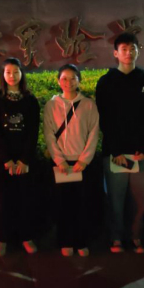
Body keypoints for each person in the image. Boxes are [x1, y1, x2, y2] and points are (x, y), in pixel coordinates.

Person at [95, 32, 144, 254]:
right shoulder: (106, 82)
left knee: (140, 200)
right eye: (124, 49)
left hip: (141, 154)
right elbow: (104, 119)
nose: (128, 52)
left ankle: (136, 237)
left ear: (138, 51)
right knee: (116, 199)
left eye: (132, 48)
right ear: (115, 53)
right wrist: (115, 151)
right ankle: (116, 238)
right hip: (116, 154)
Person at [43, 64, 100, 257]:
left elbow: (93, 133)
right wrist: (59, 160)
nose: (68, 82)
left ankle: (81, 241)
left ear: (79, 80)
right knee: (63, 204)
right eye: (64, 78)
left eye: (73, 78)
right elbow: (49, 134)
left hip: (82, 164)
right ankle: (65, 241)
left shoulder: (89, 105)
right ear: (58, 81)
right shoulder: (51, 105)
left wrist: (84, 160)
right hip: (61, 164)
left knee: (82, 204)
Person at [0, 57, 40, 257]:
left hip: (25, 161)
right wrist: (5, 160)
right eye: (8, 72)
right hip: (3, 161)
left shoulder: (30, 101)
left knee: (26, 200)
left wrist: (24, 160)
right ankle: (1, 238)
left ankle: (26, 237)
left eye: (16, 72)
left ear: (21, 74)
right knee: (2, 202)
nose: (12, 76)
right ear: (3, 75)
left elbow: (33, 132)